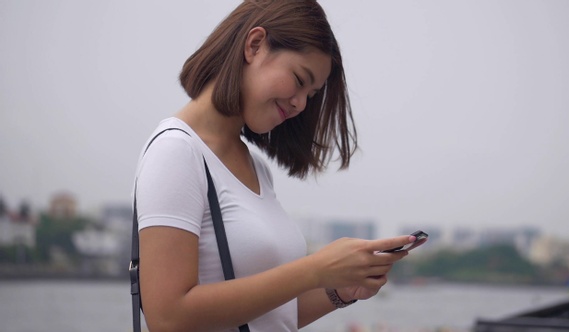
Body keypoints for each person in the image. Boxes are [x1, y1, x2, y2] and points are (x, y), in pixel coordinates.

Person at [134, 1, 417, 331]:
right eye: (299, 80)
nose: (300, 104)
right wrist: (314, 270)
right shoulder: (177, 150)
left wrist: (340, 289)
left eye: (311, 95)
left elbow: (269, 316)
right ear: (254, 45)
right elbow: (168, 317)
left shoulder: (255, 167)